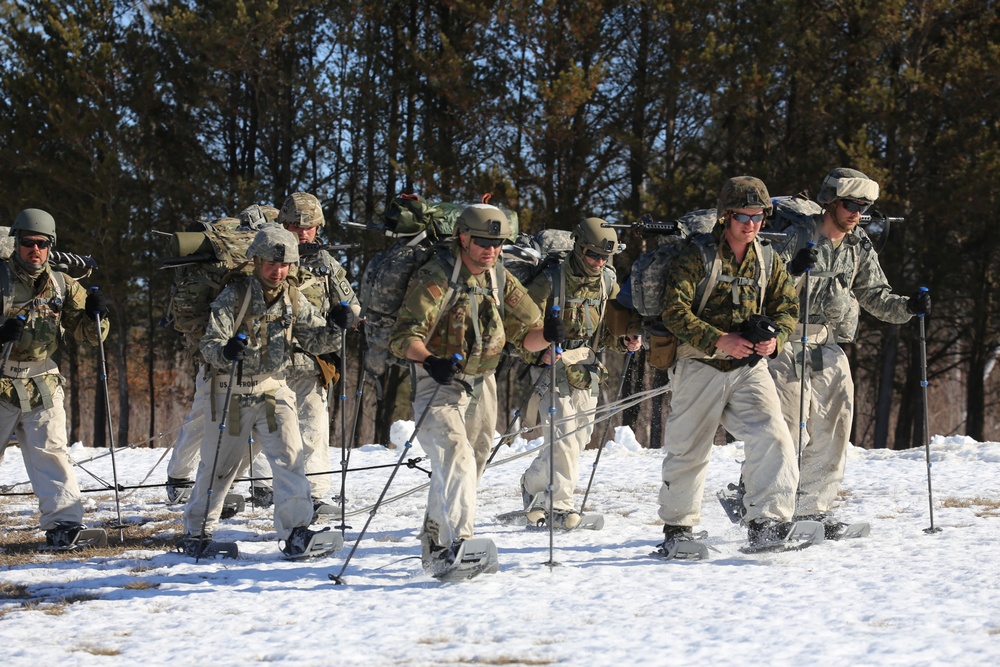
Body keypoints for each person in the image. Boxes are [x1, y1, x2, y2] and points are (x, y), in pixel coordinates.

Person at [388, 203, 556, 572]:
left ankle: (434, 540)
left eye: (497, 243)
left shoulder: (498, 276)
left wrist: (550, 335)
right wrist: (431, 360)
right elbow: (403, 338)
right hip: (439, 381)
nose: (490, 250)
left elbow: (525, 333)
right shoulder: (438, 275)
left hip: (484, 382)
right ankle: (459, 543)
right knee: (456, 456)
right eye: (482, 242)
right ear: (463, 237)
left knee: (471, 462)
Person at [768, 167, 928, 537]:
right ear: (831, 202)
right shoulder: (794, 236)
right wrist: (793, 270)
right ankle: (767, 513)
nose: (858, 212)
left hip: (828, 344)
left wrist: (909, 307)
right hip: (785, 343)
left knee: (835, 428)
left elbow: (875, 294)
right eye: (851, 204)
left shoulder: (858, 246)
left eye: (865, 206)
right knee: (784, 430)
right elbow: (763, 287)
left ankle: (812, 510)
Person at [178, 224, 343, 557]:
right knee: (220, 466)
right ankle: (196, 533)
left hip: (272, 388)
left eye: (284, 264)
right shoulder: (235, 295)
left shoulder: (293, 297)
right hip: (232, 392)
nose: (277, 270)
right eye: (270, 262)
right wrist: (226, 352)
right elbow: (209, 343)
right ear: (256, 260)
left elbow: (315, 339)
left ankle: (296, 531)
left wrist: (337, 326)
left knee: (290, 460)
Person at [656, 176, 800, 553]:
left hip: (750, 367)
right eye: (742, 216)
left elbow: (787, 307)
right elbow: (673, 310)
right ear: (725, 216)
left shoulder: (768, 258)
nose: (750, 224)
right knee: (689, 448)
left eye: (758, 216)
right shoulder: (697, 255)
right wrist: (718, 339)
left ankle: (766, 521)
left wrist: (776, 339)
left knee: (774, 437)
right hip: (700, 362)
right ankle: (679, 529)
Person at [518, 218, 641, 529]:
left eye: (604, 257)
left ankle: (532, 485)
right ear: (578, 247)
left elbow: (610, 330)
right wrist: (540, 349)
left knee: (579, 438)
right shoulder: (551, 280)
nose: (599, 262)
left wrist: (626, 338)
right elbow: (519, 327)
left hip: (586, 369)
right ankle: (560, 507)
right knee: (563, 440)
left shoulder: (606, 281)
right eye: (593, 255)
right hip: (553, 367)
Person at [0, 209, 110, 547]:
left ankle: (64, 525)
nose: (35, 250)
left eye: (42, 244)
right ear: (15, 242)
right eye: (28, 243)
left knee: (51, 453)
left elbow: (90, 336)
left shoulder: (63, 283)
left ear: (51, 246)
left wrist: (97, 315)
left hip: (41, 383)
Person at [250, 192, 360, 515]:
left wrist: (345, 316)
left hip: (311, 361)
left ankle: (316, 492)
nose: (302, 233)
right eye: (294, 226)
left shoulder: (326, 265)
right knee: (264, 425)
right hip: (270, 361)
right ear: (282, 224)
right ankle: (261, 483)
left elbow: (351, 305)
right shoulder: (264, 257)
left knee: (312, 425)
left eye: (308, 227)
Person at [165, 207, 278, 507]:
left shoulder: (247, 257)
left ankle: (261, 482)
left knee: (259, 418)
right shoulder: (232, 256)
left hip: (254, 357)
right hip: (215, 355)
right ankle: (179, 478)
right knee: (204, 417)